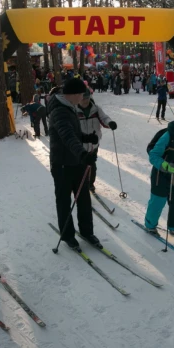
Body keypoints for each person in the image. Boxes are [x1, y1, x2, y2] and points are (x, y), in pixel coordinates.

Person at [48, 78, 99, 250]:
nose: (83, 99)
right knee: (64, 201)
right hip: (62, 164)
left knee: (84, 198)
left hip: (76, 161)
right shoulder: (59, 111)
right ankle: (68, 234)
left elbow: (74, 134)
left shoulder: (70, 107)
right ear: (75, 94)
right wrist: (83, 153)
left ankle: (87, 231)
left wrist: (86, 138)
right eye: (82, 95)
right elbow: (67, 136)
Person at [76, 90, 117, 192]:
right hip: (79, 145)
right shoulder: (74, 110)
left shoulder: (96, 109)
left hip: (94, 143)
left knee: (92, 166)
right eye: (83, 98)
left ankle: (90, 184)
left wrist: (110, 123)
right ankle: (79, 185)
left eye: (87, 98)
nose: (85, 101)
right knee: (80, 166)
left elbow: (104, 118)